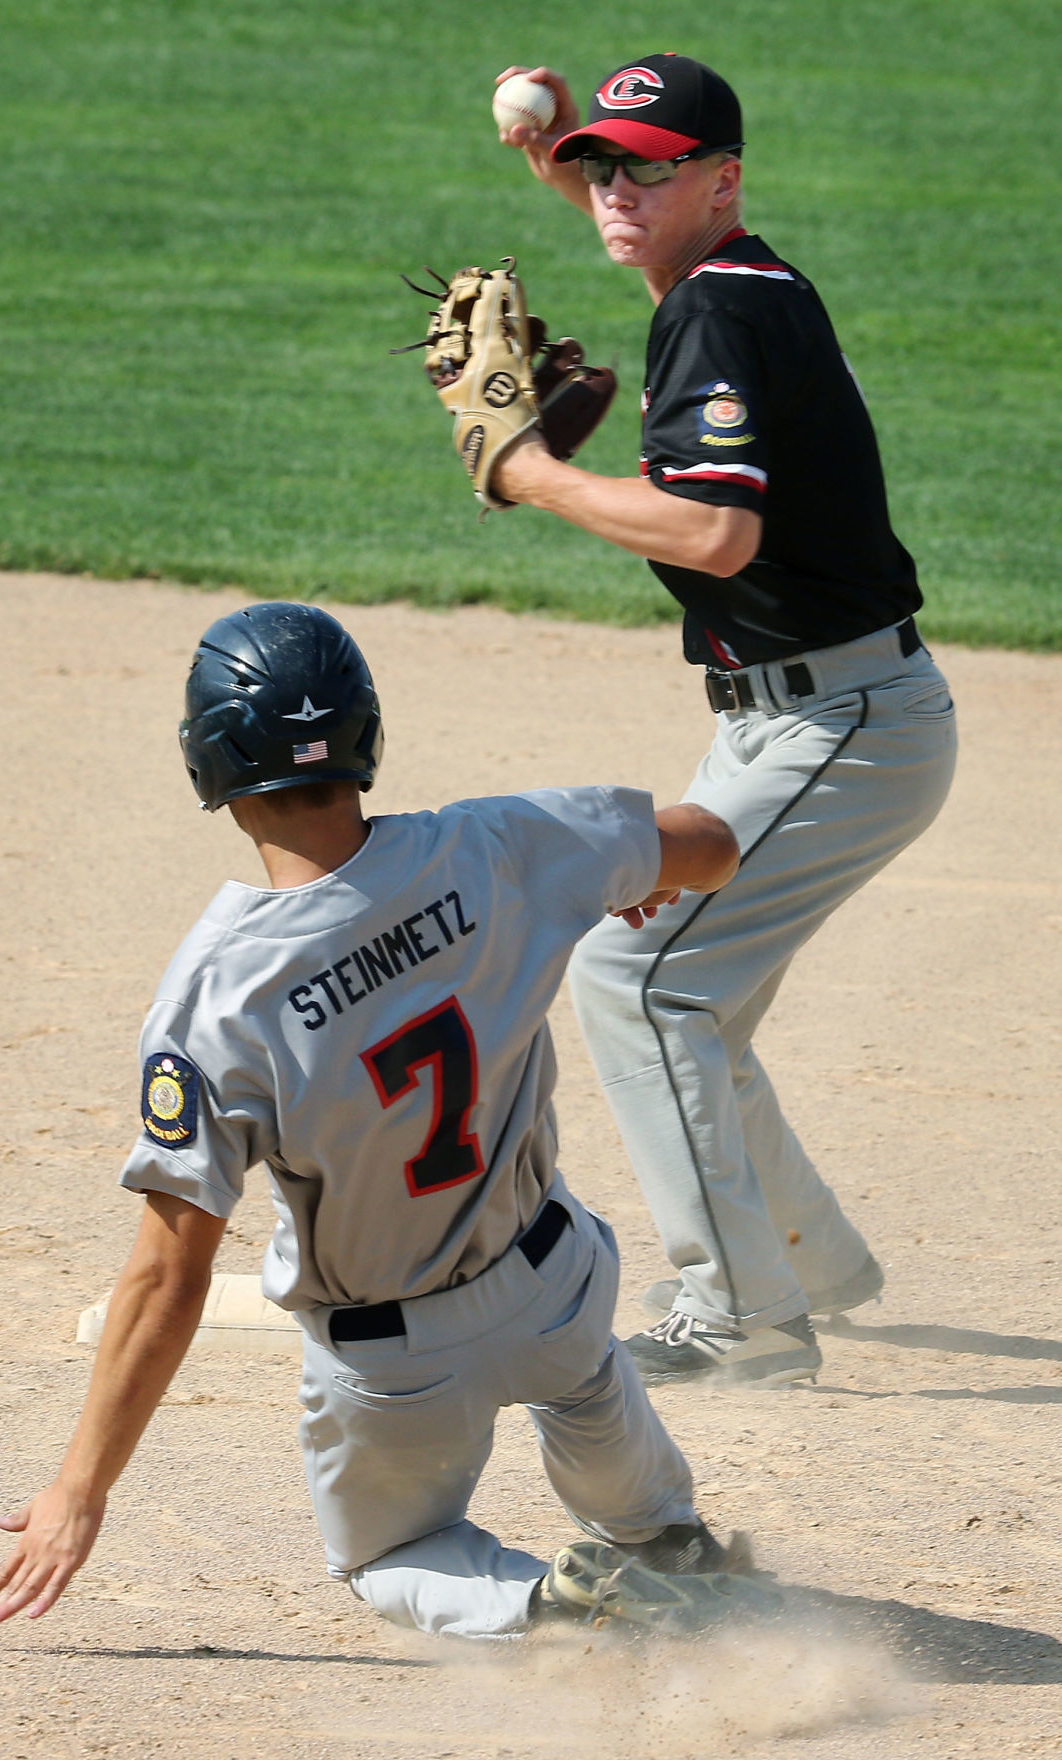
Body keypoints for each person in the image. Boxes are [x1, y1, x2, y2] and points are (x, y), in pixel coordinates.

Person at [0, 601, 780, 1644]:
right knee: (577, 1372)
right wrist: (637, 874)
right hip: (547, 1282)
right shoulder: (500, 843)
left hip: (396, 1363)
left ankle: (562, 1599)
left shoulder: (215, 996)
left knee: (386, 1552)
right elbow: (709, 845)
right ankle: (662, 1538)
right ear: (365, 736)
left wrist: (78, 1488)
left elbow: (166, 1277)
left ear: (208, 762)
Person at [492, 52, 957, 1387]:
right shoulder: (728, 287)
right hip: (817, 718)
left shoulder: (714, 314)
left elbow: (711, 528)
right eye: (599, 165)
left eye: (650, 165)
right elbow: (642, 222)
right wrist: (568, 166)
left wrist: (531, 476)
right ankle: (803, 1264)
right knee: (701, 992)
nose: (616, 189)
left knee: (637, 978)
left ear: (724, 179)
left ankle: (742, 1312)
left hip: (836, 729)